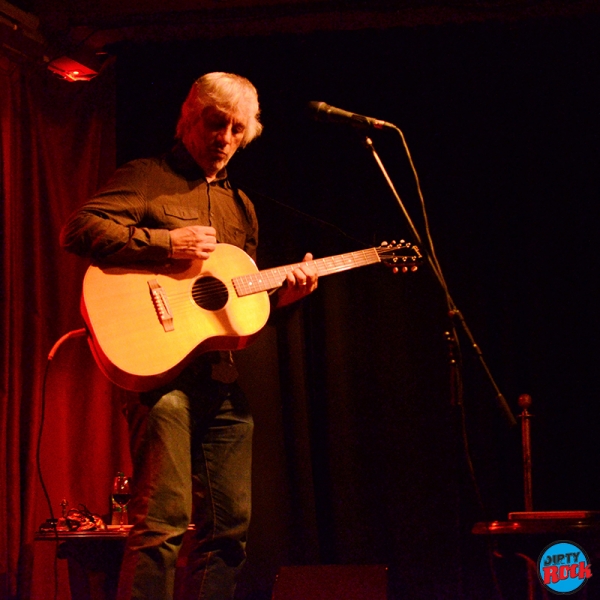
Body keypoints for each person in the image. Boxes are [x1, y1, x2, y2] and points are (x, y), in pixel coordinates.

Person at [60, 72, 318, 600]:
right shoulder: (147, 177)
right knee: (162, 521)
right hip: (158, 379)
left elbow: (233, 304)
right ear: (189, 118)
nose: (224, 138)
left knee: (229, 532)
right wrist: (164, 243)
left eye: (237, 129)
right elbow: (79, 229)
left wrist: (282, 299)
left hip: (219, 379)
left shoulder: (241, 207)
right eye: (215, 123)